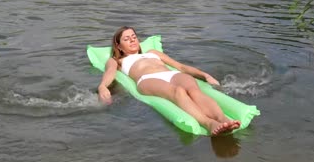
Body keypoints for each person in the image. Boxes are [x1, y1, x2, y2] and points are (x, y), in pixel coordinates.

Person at [97, 26, 241, 136]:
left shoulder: (152, 53)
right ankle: (209, 123)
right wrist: (103, 86)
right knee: (178, 91)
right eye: (126, 39)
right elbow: (110, 73)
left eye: (134, 37)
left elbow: (180, 66)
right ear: (118, 45)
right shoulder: (118, 60)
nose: (132, 40)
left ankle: (222, 119)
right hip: (147, 80)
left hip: (171, 74)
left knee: (193, 90)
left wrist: (205, 76)